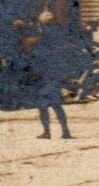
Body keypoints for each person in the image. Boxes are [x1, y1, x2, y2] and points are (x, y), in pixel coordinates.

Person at [26, 10, 73, 139]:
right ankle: (65, 131)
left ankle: (48, 131)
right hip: (52, 74)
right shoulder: (56, 35)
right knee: (55, 104)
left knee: (43, 105)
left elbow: (35, 51)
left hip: (44, 74)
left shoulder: (43, 37)